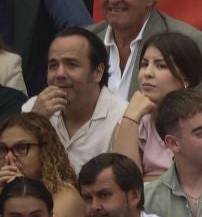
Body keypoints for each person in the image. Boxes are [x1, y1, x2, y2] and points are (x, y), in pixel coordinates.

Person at [25, 31, 129, 169]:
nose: (60, 74)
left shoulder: (124, 117)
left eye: (71, 64)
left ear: (98, 72)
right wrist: (35, 122)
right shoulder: (34, 107)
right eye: (53, 65)